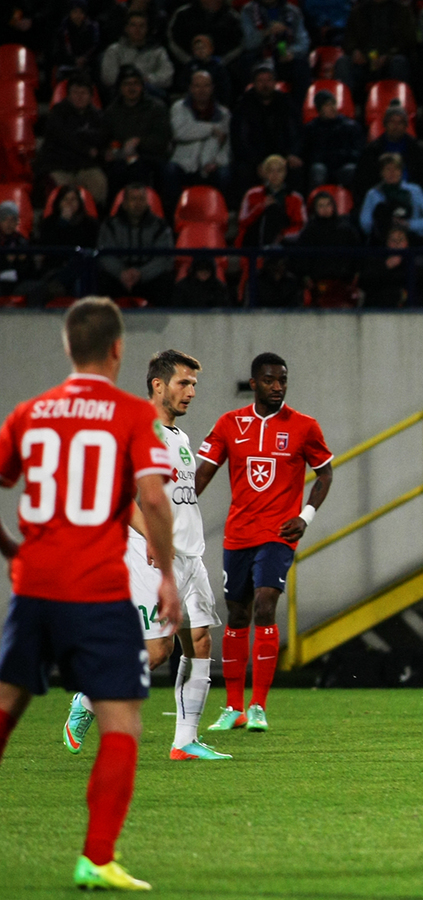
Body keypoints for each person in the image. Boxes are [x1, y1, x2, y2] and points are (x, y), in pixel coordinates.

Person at [0, 298, 179, 890]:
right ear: (118, 349)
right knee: (121, 723)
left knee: (5, 711)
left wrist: (11, 550)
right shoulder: (131, 415)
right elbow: (152, 499)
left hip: (34, 588)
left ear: (67, 347)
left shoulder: (30, 412)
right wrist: (168, 575)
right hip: (98, 593)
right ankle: (96, 858)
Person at [61, 350, 230, 762]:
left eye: (193, 384)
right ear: (158, 385)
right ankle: (88, 698)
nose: (191, 392)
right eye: (183, 383)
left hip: (189, 555)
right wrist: (151, 537)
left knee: (200, 640)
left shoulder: (179, 437)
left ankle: (184, 742)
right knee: (157, 652)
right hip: (150, 556)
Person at [194, 352, 334, 733]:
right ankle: (234, 708)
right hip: (238, 534)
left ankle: (258, 706)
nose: (278, 387)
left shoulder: (304, 426)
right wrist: (175, 511)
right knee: (237, 615)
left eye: (283, 380)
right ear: (254, 383)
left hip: (278, 534)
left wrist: (305, 516)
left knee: (265, 604)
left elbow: (325, 474)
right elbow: (202, 474)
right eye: (270, 380)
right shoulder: (229, 423)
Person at [38, 72, 109, 209]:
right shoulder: (57, 114)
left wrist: (81, 142)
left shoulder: (98, 116)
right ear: (68, 95)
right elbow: (63, 139)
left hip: (86, 166)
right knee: (62, 193)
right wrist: (86, 147)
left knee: (99, 184)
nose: (79, 97)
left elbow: (100, 139)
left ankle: (93, 217)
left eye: (83, 93)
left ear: (91, 96)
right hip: (59, 165)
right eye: (75, 93)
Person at [102, 66, 174, 200]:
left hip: (151, 157)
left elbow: (162, 141)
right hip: (123, 158)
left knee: (144, 168)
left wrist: (139, 142)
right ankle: (116, 210)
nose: (132, 88)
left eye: (135, 83)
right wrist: (112, 150)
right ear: (120, 88)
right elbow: (108, 139)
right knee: (117, 170)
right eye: (127, 84)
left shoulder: (157, 107)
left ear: (142, 86)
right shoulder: (111, 111)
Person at [96, 183, 174, 304]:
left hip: (148, 278)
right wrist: (121, 273)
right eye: (133, 199)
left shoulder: (160, 226)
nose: (138, 203)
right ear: (124, 203)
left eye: (141, 199)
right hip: (118, 277)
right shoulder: (109, 226)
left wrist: (141, 274)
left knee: (165, 281)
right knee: (101, 279)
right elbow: (105, 255)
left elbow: (164, 258)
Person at [232, 61, 303, 193]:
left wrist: (291, 154)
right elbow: (240, 140)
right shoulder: (244, 105)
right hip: (254, 158)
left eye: (269, 80)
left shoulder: (286, 102)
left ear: (275, 82)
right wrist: (256, 162)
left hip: (282, 155)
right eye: (261, 81)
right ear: (254, 83)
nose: (265, 84)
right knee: (243, 170)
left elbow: (296, 133)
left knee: (296, 168)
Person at [169, 70, 232, 194]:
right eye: (197, 86)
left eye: (206, 86)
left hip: (211, 165)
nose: (201, 90)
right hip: (183, 164)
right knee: (170, 171)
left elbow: (226, 146)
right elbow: (180, 132)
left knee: (225, 174)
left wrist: (217, 163)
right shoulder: (179, 108)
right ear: (191, 88)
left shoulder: (224, 114)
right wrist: (211, 129)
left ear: (212, 88)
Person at [294, 190, 362, 304]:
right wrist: (305, 276)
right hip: (318, 283)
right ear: (315, 208)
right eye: (321, 206)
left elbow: (358, 253)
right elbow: (300, 257)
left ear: (333, 206)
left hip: (343, 281)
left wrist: (356, 273)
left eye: (328, 204)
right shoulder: (309, 231)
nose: (325, 209)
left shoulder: (346, 229)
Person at [297, 89, 364, 189]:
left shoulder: (350, 126)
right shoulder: (311, 129)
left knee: (351, 170)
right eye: (327, 105)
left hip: (343, 166)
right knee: (318, 170)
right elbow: (306, 153)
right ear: (319, 109)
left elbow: (358, 152)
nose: (332, 108)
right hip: (322, 167)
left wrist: (340, 156)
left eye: (333, 104)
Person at [358, 152, 423, 238]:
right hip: (383, 239)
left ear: (401, 171)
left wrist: (408, 225)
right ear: (381, 172)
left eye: (396, 168)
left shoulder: (415, 191)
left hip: (414, 237)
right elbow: (365, 223)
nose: (392, 173)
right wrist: (387, 226)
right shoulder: (373, 194)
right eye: (388, 169)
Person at [237, 154, 306, 247]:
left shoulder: (295, 198)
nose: (275, 175)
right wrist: (261, 207)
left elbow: (301, 226)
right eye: (271, 171)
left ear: (285, 173)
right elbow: (242, 222)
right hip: (255, 243)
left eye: (279, 170)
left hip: (285, 245)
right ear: (264, 173)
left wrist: (283, 235)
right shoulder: (252, 194)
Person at [100, 11, 174, 97]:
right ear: (126, 28)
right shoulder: (114, 50)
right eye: (133, 25)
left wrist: (146, 79)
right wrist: (130, 81)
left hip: (150, 93)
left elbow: (167, 77)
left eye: (141, 26)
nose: (137, 29)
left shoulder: (158, 51)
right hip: (120, 94)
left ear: (147, 29)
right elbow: (109, 78)